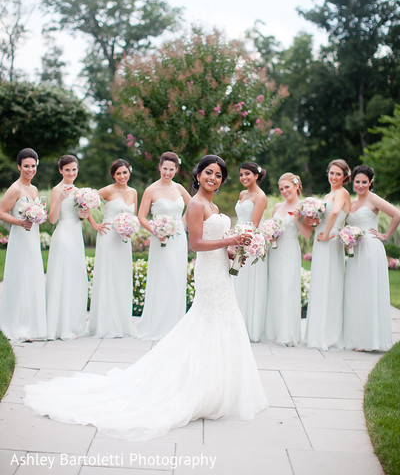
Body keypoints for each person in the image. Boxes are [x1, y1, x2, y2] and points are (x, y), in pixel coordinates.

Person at [24, 155, 267, 441]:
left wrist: (236, 250)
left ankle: (216, 387)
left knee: (220, 323)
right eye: (208, 172)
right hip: (209, 276)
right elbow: (196, 244)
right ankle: (200, 389)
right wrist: (231, 241)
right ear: (198, 174)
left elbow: (216, 245)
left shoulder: (213, 205)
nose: (213, 178)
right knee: (208, 321)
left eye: (218, 174)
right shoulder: (196, 204)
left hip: (221, 272)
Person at [135, 152, 191, 341]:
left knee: (176, 279)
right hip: (160, 240)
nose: (167, 172)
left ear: (176, 169)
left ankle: (175, 324)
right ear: (160, 167)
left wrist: (182, 222)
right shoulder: (151, 190)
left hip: (179, 239)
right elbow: (141, 216)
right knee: (163, 278)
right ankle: (157, 324)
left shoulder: (180, 189)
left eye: (171, 169)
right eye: (165, 169)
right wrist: (155, 230)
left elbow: (194, 207)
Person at [343, 165, 399, 351]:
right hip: (355, 251)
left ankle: (371, 340)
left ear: (370, 182)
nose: (360, 185)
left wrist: (385, 235)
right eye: (357, 182)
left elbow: (396, 214)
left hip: (370, 249)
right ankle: (357, 337)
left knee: (368, 291)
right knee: (355, 291)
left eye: (364, 182)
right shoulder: (350, 203)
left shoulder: (373, 198)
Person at [0, 148, 47, 343]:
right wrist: (20, 222)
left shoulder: (34, 189)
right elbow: (2, 212)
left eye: (33, 166)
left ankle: (31, 325)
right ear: (19, 166)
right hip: (20, 238)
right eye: (26, 166)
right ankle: (16, 326)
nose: (30, 169)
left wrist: (39, 216)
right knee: (20, 279)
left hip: (32, 238)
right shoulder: (15, 188)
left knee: (32, 278)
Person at [88, 159, 138, 338]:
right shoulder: (108, 190)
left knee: (121, 277)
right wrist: (94, 224)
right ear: (113, 175)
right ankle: (106, 324)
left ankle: (122, 324)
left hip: (124, 240)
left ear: (129, 172)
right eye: (118, 173)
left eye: (124, 172)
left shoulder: (133, 192)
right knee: (107, 277)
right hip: (108, 237)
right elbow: (86, 201)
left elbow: (134, 216)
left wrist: (131, 229)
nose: (122, 176)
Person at [262, 173, 312, 346]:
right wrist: (270, 235)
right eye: (281, 188)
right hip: (275, 251)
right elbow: (270, 227)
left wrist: (298, 219)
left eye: (287, 187)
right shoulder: (277, 207)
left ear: (296, 186)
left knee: (287, 288)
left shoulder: (304, 206)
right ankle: (274, 331)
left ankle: (288, 334)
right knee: (275, 288)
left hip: (290, 249)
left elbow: (307, 235)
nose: (284, 191)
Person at [306, 159, 351, 350]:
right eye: (331, 173)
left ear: (345, 177)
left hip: (330, 240)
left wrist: (325, 234)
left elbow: (333, 214)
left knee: (329, 284)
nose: (334, 177)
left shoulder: (342, 193)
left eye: (338, 174)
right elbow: (324, 215)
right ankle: (317, 334)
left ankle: (328, 336)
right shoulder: (328, 194)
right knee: (320, 283)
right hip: (321, 239)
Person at [46, 155, 88, 340]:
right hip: (63, 234)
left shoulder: (79, 191)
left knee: (75, 276)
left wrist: (85, 212)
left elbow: (80, 216)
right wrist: (58, 199)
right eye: (68, 170)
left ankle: (72, 323)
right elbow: (53, 219)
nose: (71, 173)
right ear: (61, 170)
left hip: (76, 234)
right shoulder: (56, 190)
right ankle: (60, 326)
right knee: (62, 277)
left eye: (74, 169)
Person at [233, 161, 268, 342]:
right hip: (237, 239)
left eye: (247, 174)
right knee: (236, 281)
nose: (244, 177)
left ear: (256, 175)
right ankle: (234, 324)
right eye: (241, 174)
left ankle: (247, 327)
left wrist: (241, 242)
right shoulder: (242, 194)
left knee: (247, 281)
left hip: (249, 243)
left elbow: (253, 225)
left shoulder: (260, 197)